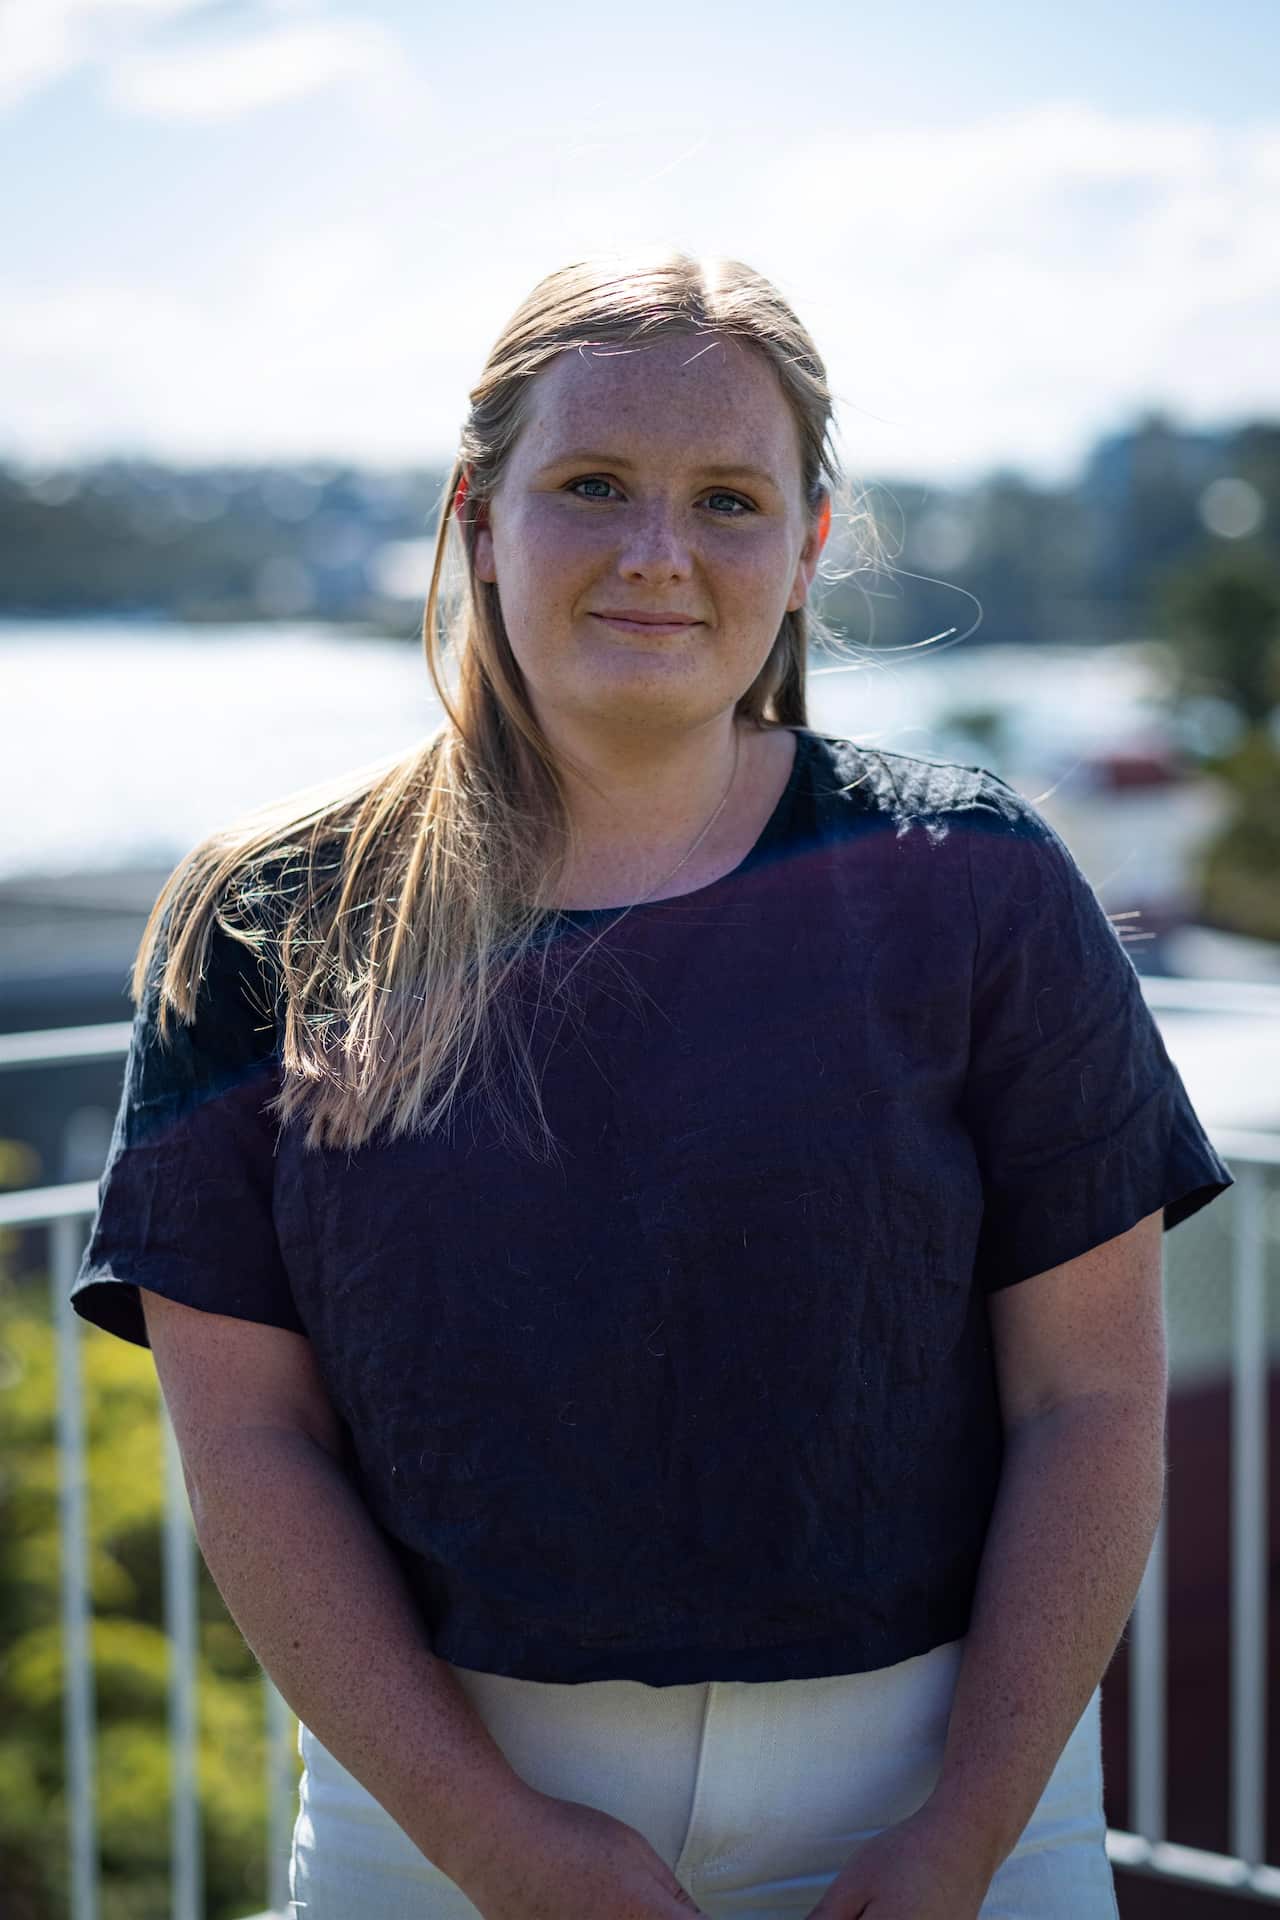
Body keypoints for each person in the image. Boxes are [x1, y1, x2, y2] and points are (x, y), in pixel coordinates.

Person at [72, 248, 1234, 1920]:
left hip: (950, 1799)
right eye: (593, 486)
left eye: (729, 500)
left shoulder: (975, 881)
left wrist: (965, 1838)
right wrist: (492, 1841)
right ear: (480, 515)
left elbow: (1092, 1401)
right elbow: (250, 1438)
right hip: (440, 1822)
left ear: (809, 543)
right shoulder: (269, 917)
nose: (656, 554)